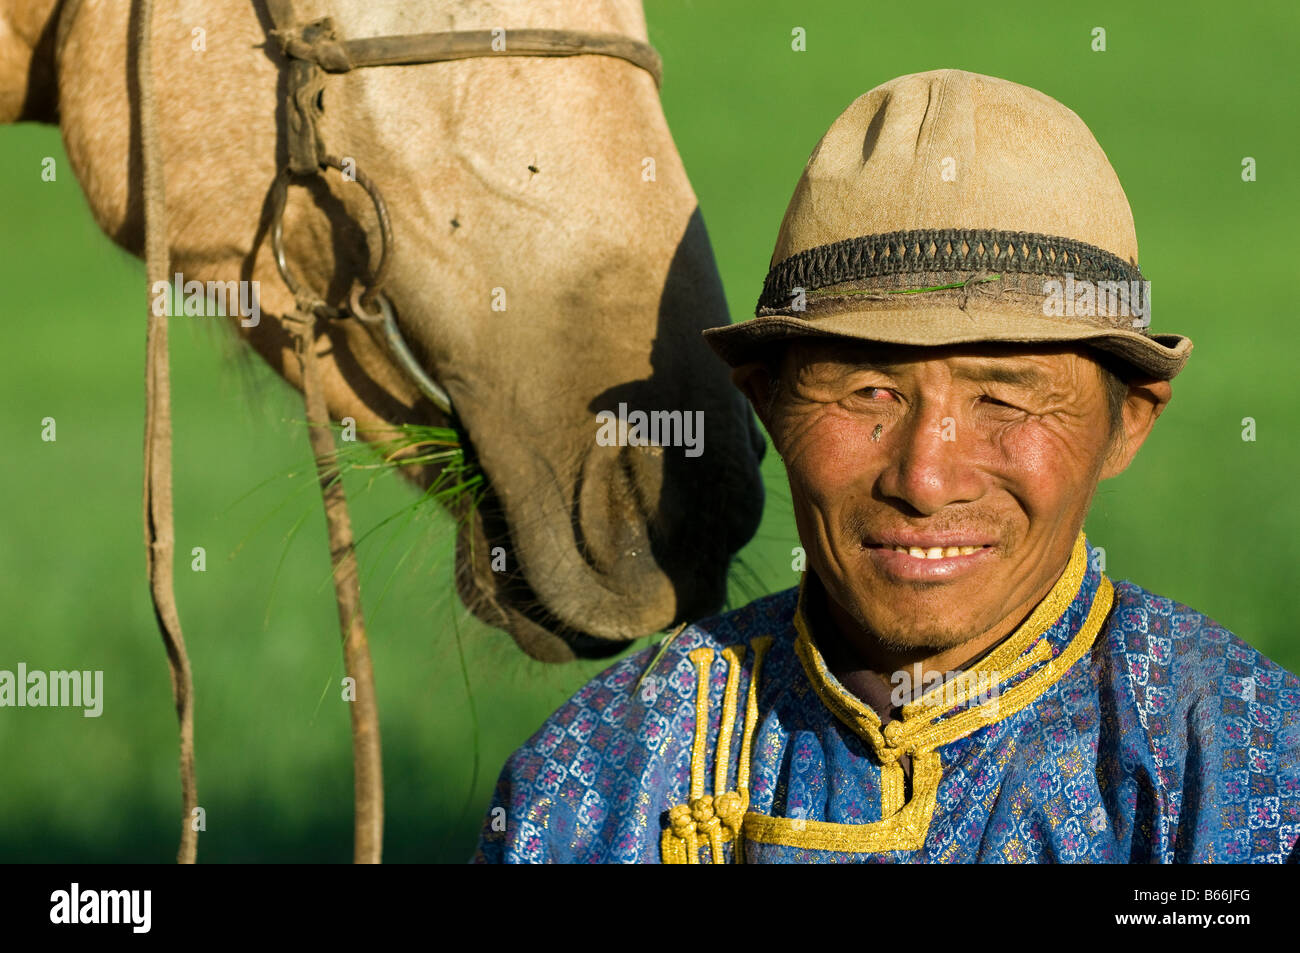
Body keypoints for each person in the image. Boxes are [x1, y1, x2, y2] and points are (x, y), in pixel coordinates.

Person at [473, 69, 1300, 863]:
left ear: (1129, 421)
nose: (924, 477)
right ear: (767, 402)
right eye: (868, 391)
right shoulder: (600, 779)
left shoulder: (1238, 764)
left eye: (1005, 400)